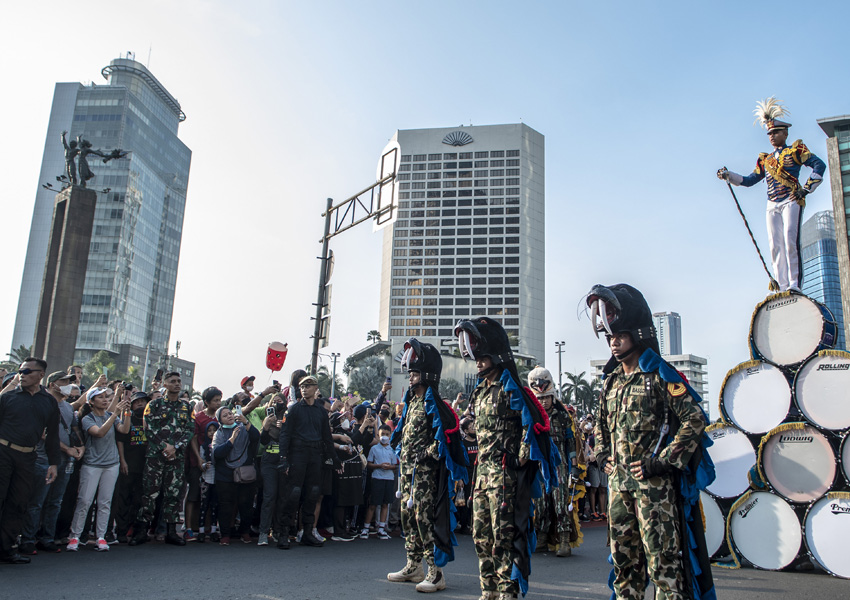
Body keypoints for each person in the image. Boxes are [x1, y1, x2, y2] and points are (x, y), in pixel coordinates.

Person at [586, 283, 714, 600]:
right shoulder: (611, 382)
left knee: (665, 569)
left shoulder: (660, 375)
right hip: (619, 490)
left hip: (655, 492)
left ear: (638, 333)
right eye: (609, 338)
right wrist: (603, 457)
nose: (613, 344)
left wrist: (663, 461)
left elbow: (694, 419)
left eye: (620, 336)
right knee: (624, 567)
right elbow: (601, 425)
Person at [454, 319, 559, 600]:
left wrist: (520, 460)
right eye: (476, 357)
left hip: (505, 479)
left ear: (496, 356)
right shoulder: (479, 391)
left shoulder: (511, 389)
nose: (478, 362)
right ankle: (488, 591)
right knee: (480, 536)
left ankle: (507, 592)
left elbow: (535, 425)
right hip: (482, 476)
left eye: (483, 357)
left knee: (504, 538)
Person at [717, 97, 826, 292]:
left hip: (791, 199)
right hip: (772, 203)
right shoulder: (765, 160)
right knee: (775, 244)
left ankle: (794, 284)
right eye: (769, 133)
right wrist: (728, 175)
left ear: (785, 133)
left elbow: (819, 165)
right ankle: (782, 285)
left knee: (790, 239)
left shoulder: (795, 150)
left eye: (776, 132)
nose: (772, 136)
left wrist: (806, 188)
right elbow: (750, 180)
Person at [387, 339, 468, 593]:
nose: (410, 377)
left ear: (428, 374)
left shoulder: (437, 405)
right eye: (410, 372)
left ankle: (436, 572)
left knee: (425, 521)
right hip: (407, 474)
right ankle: (414, 566)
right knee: (408, 519)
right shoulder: (412, 404)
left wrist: (427, 453)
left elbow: (445, 439)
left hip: (425, 476)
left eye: (415, 372)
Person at [0, 357, 60, 564]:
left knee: (18, 503)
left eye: (26, 372)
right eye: (20, 371)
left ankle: (7, 550)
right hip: (3, 453)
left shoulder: (49, 401)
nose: (21, 375)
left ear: (40, 375)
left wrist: (54, 464)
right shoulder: (8, 397)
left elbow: (52, 435)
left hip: (28, 458)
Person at [130, 372, 194, 547]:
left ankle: (171, 532)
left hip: (176, 457)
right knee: (149, 494)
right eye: (172, 381)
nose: (176, 384)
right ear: (164, 384)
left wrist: (176, 447)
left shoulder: (186, 407)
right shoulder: (154, 404)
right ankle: (141, 531)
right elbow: (148, 428)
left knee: (173, 495)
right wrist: (164, 446)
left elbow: (190, 430)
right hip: (155, 457)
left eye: (179, 381)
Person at [19, 371, 80, 555]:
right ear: (53, 384)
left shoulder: (68, 407)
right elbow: (43, 434)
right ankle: (28, 539)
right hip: (43, 459)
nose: (68, 385)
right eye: (64, 382)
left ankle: (47, 538)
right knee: (37, 502)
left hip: (65, 461)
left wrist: (79, 447)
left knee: (55, 501)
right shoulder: (42, 402)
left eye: (70, 382)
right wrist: (66, 449)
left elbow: (74, 429)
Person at [276, 375, 340, 549]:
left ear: (315, 388)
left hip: (315, 455)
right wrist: (283, 458)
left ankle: (308, 532)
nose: (304, 389)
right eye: (302, 386)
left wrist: (334, 458)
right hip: (297, 454)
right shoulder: (294, 409)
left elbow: (326, 436)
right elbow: (285, 435)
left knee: (312, 494)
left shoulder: (320, 411)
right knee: (293, 494)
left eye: (308, 386)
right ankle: (283, 533)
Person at [527, 366, 583, 558]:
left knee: (560, 503)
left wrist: (574, 467)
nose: (543, 402)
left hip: (559, 465)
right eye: (540, 399)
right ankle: (541, 538)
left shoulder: (563, 416)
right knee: (541, 504)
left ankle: (564, 540)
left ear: (552, 396)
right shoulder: (532, 418)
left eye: (546, 398)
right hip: (540, 465)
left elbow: (572, 442)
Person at [66, 387, 131, 552]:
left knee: (105, 502)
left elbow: (124, 430)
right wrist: (116, 414)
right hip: (92, 464)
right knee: (85, 500)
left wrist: (127, 414)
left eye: (106, 397)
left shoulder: (110, 416)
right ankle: (75, 535)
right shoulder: (88, 418)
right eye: (100, 397)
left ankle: (100, 537)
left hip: (111, 464)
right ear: (91, 402)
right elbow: (99, 433)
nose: (105, 400)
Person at [211, 406, 260, 545]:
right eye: (225, 415)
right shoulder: (219, 433)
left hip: (245, 473)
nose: (229, 416)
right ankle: (225, 534)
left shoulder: (243, 427)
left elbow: (256, 437)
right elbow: (217, 453)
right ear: (220, 420)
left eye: (230, 413)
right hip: (225, 475)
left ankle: (244, 532)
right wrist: (231, 440)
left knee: (246, 505)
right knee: (226, 505)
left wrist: (246, 422)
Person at [185, 387, 222, 542]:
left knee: (212, 498)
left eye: (220, 399)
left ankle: (209, 528)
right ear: (206, 402)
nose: (218, 403)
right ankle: (188, 528)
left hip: (215, 465)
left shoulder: (221, 417)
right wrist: (198, 459)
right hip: (197, 462)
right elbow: (193, 438)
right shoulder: (198, 417)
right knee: (194, 495)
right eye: (215, 400)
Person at [113, 391, 149, 542]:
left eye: (143, 401)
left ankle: (136, 531)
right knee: (123, 499)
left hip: (146, 467)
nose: (140, 403)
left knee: (139, 500)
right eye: (137, 401)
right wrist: (123, 461)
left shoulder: (152, 419)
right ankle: (121, 531)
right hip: (128, 465)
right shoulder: (128, 418)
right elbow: (120, 439)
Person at [363, 424, 399, 540]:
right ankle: (366, 527)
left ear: (390, 435)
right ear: (378, 435)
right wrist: (379, 465)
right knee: (373, 504)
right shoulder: (374, 449)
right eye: (382, 434)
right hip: (377, 478)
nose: (385, 436)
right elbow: (368, 464)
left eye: (387, 434)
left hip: (388, 479)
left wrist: (389, 467)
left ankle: (382, 528)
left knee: (385, 504)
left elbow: (395, 465)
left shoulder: (392, 449)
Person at [197, 421, 220, 543]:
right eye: (209, 431)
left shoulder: (219, 445)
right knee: (204, 505)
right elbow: (201, 463)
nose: (212, 433)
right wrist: (205, 465)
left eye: (214, 430)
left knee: (215, 505)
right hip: (206, 479)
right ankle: (201, 531)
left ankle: (213, 530)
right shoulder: (203, 446)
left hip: (217, 479)